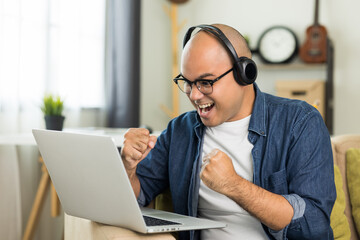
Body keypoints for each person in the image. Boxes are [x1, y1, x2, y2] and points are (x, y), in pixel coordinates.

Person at [121, 24, 336, 240]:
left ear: (244, 74)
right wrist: (128, 169)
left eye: (205, 82)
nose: (194, 96)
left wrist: (233, 185)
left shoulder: (299, 122)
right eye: (187, 82)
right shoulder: (180, 130)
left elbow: (314, 226)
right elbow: (139, 195)